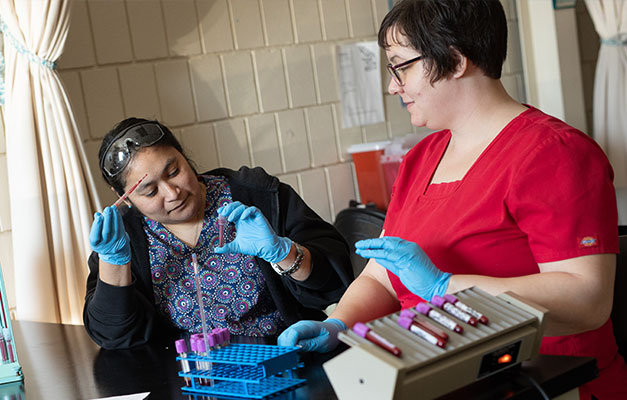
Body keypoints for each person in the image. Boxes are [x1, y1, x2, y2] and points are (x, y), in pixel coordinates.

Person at [278, 0, 627, 398]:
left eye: (402, 65)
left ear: (456, 60)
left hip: (549, 382)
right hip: (445, 378)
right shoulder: (419, 160)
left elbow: (588, 300)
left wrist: (445, 286)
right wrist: (338, 324)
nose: (394, 85)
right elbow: (382, 275)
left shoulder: (553, 153)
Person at [83, 117, 352, 350]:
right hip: (190, 377)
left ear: (185, 158)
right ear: (125, 199)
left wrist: (284, 253)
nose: (172, 193)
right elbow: (113, 337)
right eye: (150, 191)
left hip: (284, 360)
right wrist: (114, 263)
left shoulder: (256, 196)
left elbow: (335, 281)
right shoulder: (124, 238)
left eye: (174, 171)